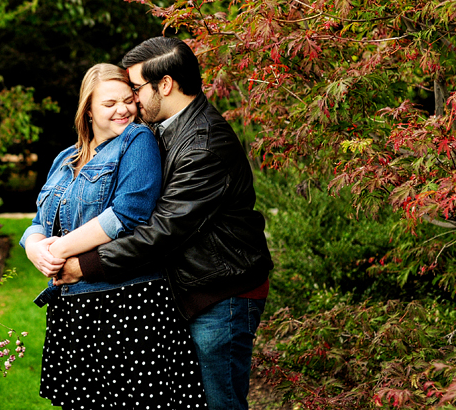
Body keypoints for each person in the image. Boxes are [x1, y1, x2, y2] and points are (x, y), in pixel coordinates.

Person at [55, 37, 274, 410]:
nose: (132, 101)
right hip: (194, 287)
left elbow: (162, 230)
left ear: (166, 85)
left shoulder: (203, 144)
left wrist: (85, 265)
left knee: (219, 402)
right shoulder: (164, 128)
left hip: (222, 293)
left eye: (137, 89)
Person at [20, 63, 206, 410]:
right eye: (109, 103)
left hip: (125, 305)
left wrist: (58, 249)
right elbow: (38, 221)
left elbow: (127, 213)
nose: (123, 109)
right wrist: (33, 246)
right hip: (74, 308)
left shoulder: (137, 141)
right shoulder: (65, 158)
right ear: (87, 109)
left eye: (128, 100)